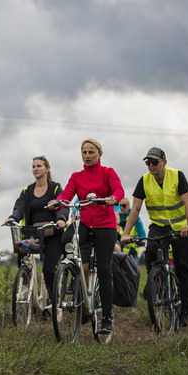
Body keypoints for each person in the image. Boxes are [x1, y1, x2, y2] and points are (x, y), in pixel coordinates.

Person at [50, 139, 123, 333]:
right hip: (84, 222)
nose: (88, 155)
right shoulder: (77, 176)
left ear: (99, 154)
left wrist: (113, 198)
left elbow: (118, 189)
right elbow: (66, 194)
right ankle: (73, 275)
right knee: (66, 239)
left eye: (91, 152)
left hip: (105, 225)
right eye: (84, 152)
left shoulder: (108, 172)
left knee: (105, 270)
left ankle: (107, 317)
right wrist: (58, 202)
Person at [121, 147, 188, 326]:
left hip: (181, 228)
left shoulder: (178, 176)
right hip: (159, 227)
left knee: (184, 269)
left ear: (164, 162)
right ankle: (156, 280)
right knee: (151, 253)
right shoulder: (144, 180)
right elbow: (136, 209)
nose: (151, 165)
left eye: (154, 162)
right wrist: (125, 233)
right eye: (148, 162)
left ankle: (185, 312)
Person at [2, 156, 68, 301]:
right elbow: (19, 207)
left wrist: (61, 219)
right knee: (22, 252)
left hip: (53, 233)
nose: (35, 169)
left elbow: (61, 206)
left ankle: (55, 300)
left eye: (39, 166)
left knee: (48, 270)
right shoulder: (27, 190)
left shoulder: (55, 187)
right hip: (34, 234)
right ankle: (25, 286)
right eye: (33, 166)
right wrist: (13, 217)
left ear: (47, 169)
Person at [117, 198, 146, 266]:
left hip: (132, 251)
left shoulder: (134, 217)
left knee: (133, 273)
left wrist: (143, 239)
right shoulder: (116, 217)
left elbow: (141, 231)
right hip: (119, 251)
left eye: (124, 205)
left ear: (128, 206)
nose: (121, 207)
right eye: (119, 205)